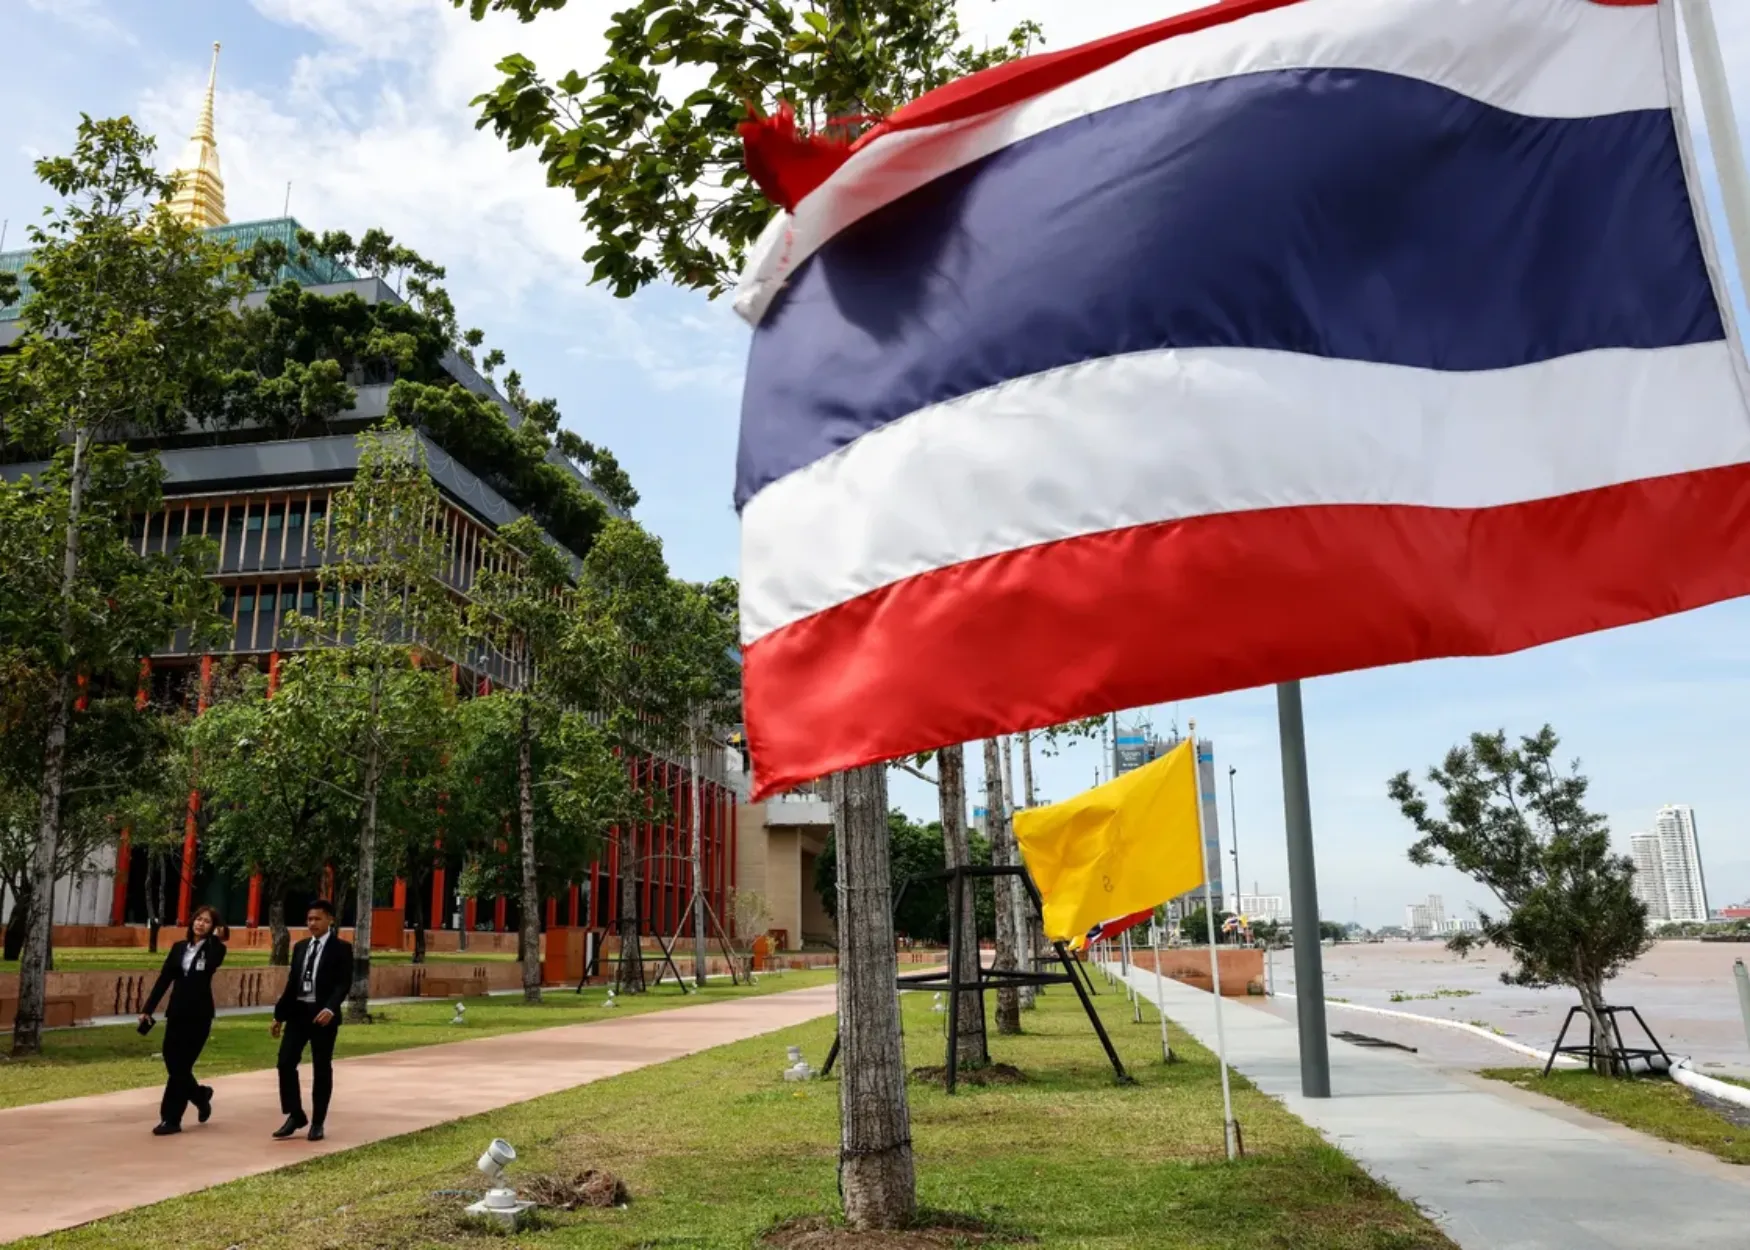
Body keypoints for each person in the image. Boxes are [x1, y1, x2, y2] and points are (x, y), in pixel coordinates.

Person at [140, 904, 228, 1136]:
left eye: (206, 921)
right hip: (176, 1012)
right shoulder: (179, 948)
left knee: (181, 1067)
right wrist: (148, 1009)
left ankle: (171, 1119)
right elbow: (164, 979)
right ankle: (200, 1095)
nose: (200, 923)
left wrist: (215, 940)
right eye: (198, 919)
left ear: (213, 927)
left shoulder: (215, 949)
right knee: (172, 1061)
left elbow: (212, 964)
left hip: (199, 1015)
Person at [271, 899, 353, 1142]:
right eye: (309, 919)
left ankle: (317, 1122)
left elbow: (343, 983)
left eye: (317, 919)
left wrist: (331, 1007)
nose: (312, 923)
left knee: (321, 1068)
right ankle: (296, 1114)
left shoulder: (342, 949)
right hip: (298, 1013)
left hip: (323, 1017)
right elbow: (292, 983)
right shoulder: (301, 947)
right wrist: (279, 1016)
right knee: (285, 1063)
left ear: (330, 920)